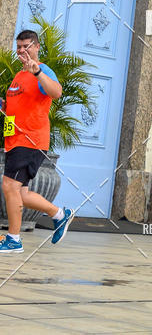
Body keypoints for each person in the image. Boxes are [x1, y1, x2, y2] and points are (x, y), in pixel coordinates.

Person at [0, 29, 74, 252]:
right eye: (19, 47)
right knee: (20, 193)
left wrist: (38, 72)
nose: (22, 50)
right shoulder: (19, 75)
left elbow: (57, 92)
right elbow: (16, 107)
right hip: (15, 140)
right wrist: (3, 106)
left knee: (9, 186)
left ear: (37, 46)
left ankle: (14, 240)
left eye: (27, 46)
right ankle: (59, 214)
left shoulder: (41, 70)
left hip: (30, 139)